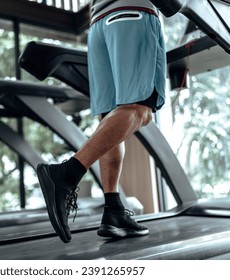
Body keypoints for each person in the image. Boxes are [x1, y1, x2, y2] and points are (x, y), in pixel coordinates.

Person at [37, 0, 166, 243]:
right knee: (141, 108)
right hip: (134, 12)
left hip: (98, 23)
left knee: (110, 116)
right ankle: (67, 174)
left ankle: (113, 209)